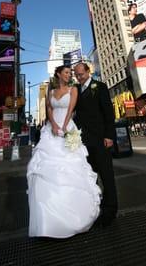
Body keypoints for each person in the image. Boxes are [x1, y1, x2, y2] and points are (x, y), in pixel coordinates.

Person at [27, 65, 101, 238]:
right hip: (51, 131)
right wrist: (53, 124)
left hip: (68, 128)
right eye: (66, 72)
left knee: (72, 167)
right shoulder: (50, 92)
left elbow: (71, 110)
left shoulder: (73, 89)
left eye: (71, 73)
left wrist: (64, 126)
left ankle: (75, 215)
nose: (69, 75)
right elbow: (49, 109)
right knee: (46, 169)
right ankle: (48, 221)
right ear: (58, 74)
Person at [74, 62, 118, 227]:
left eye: (81, 74)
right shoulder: (77, 90)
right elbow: (78, 115)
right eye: (76, 75)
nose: (79, 77)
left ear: (88, 71)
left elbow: (108, 111)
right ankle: (96, 207)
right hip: (85, 142)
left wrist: (109, 135)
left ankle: (111, 210)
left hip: (101, 139)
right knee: (91, 177)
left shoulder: (99, 86)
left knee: (107, 175)